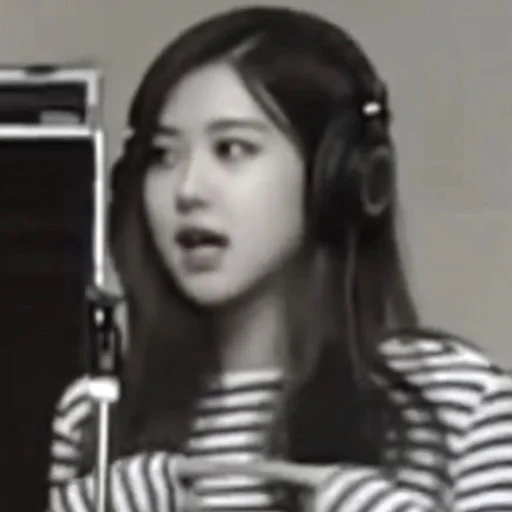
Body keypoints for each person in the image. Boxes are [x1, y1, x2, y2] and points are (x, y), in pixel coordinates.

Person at [46, 5, 512, 512]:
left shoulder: (460, 402)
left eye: (231, 149)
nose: (187, 189)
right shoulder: (94, 415)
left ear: (334, 178)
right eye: (163, 156)